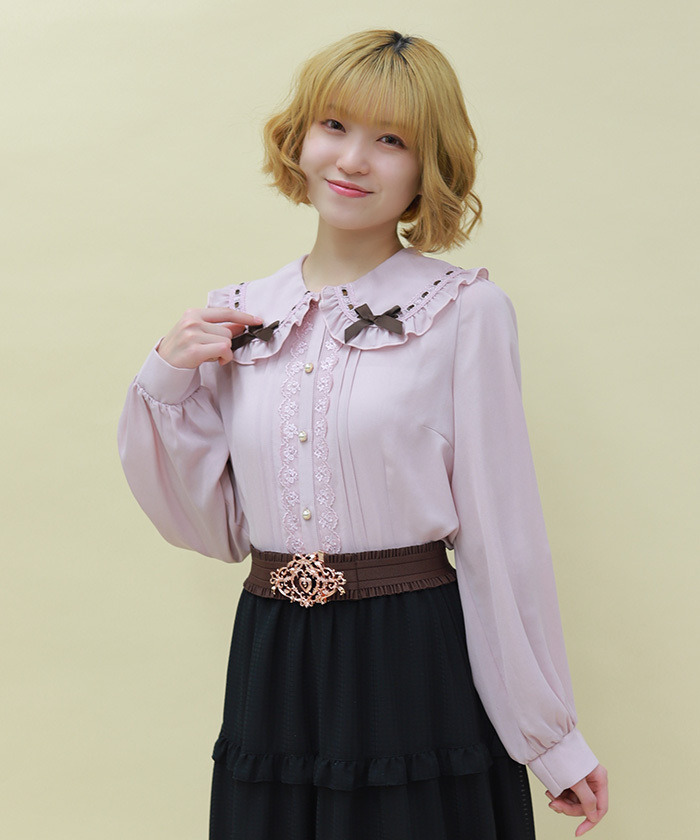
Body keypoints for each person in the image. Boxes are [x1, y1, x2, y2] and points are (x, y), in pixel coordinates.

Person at [118, 29, 608, 839]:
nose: (352, 160)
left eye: (391, 141)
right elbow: (214, 530)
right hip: (273, 659)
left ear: (426, 166)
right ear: (300, 136)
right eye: (335, 126)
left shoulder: (466, 313)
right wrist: (166, 379)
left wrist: (550, 739)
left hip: (411, 659)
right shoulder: (238, 317)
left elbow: (502, 537)